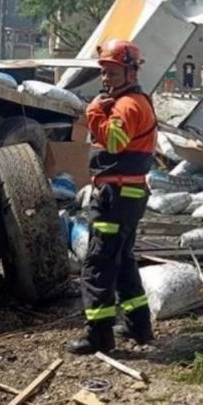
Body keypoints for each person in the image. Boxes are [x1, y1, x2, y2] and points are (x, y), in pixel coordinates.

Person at [67, 39, 157, 355]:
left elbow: (116, 143)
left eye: (113, 72)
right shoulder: (127, 101)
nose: (106, 78)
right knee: (121, 261)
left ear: (130, 72)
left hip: (116, 196)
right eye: (104, 72)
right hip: (125, 194)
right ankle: (138, 326)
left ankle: (99, 335)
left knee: (98, 263)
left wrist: (94, 114)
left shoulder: (128, 105)